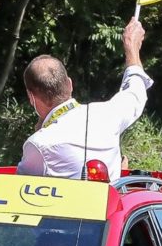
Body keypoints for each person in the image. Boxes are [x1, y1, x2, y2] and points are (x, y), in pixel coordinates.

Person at [19, 18, 151, 179]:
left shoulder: (38, 144)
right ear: (69, 84)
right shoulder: (107, 114)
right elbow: (135, 91)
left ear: (31, 96)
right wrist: (132, 48)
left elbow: (19, 192)